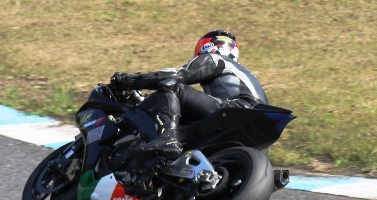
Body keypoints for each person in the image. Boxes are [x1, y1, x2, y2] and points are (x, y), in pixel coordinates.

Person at [110, 30, 268, 158]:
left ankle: (167, 137)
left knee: (173, 86)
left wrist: (130, 80)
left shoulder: (213, 58)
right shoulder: (248, 75)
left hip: (236, 109)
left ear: (207, 46)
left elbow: (174, 76)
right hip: (258, 124)